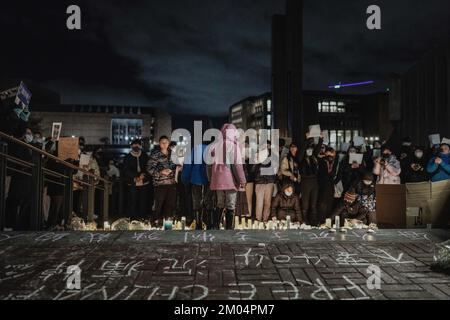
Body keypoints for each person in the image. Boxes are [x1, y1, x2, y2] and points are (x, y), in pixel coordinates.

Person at [208, 124, 246, 230]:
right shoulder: (234, 146)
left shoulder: (215, 145)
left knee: (220, 203)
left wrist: (211, 178)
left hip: (218, 180)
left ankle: (215, 226)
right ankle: (229, 229)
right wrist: (242, 180)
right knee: (231, 204)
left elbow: (209, 165)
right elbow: (237, 165)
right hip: (230, 180)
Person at [147, 136, 179, 225]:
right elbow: (149, 169)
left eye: (166, 142)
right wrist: (161, 172)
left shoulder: (173, 154)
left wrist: (178, 168)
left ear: (169, 143)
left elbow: (175, 165)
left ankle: (167, 222)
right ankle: (154, 222)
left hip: (171, 183)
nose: (164, 144)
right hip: (160, 184)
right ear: (159, 143)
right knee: (158, 204)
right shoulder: (155, 155)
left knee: (170, 204)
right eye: (162, 142)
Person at [181, 142, 213, 229]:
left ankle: (198, 224)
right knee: (208, 201)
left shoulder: (195, 149)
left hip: (196, 178)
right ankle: (209, 223)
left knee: (197, 201)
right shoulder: (212, 148)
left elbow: (188, 165)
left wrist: (185, 179)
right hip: (210, 178)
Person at [298, 135, 323, 226]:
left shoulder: (314, 158)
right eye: (308, 149)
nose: (310, 151)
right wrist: (307, 139)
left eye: (311, 149)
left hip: (314, 182)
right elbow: (302, 150)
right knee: (305, 205)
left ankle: (314, 222)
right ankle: (304, 221)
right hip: (305, 182)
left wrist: (321, 139)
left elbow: (318, 149)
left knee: (313, 205)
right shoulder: (301, 159)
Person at [122, 139, 150, 219]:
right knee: (133, 200)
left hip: (144, 181)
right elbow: (125, 169)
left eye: (138, 145)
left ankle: (142, 217)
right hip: (132, 182)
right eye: (134, 145)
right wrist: (135, 176)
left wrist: (143, 175)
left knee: (143, 200)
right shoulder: (128, 157)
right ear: (131, 146)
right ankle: (133, 218)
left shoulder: (144, 155)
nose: (136, 147)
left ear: (140, 146)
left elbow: (148, 167)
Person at [254, 141, 277, 223]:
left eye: (268, 145)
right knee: (259, 202)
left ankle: (265, 220)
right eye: (264, 145)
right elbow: (252, 169)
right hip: (259, 181)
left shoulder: (273, 155)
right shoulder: (257, 155)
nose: (266, 146)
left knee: (268, 202)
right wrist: (258, 162)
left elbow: (275, 167)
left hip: (269, 181)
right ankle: (258, 220)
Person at [317, 147, 340, 224]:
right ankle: (321, 221)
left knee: (330, 203)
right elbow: (319, 173)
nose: (329, 155)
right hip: (322, 185)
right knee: (322, 203)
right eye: (328, 153)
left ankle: (328, 222)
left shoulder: (335, 162)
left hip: (331, 185)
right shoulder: (322, 161)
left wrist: (334, 182)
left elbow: (339, 173)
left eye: (331, 153)